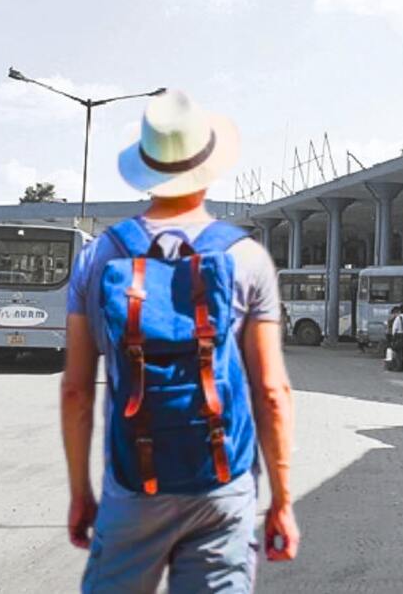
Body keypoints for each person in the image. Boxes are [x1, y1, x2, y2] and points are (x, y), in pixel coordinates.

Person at [60, 90, 300, 593]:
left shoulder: (98, 256)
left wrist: (81, 492)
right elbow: (272, 393)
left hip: (133, 485)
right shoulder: (249, 259)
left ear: (145, 168)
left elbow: (77, 392)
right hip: (222, 482)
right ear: (209, 169)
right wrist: (281, 500)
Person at [391, 305, 403, 373]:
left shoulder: (398, 318)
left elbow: (394, 328)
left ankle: (398, 367)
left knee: (398, 352)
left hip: (399, 336)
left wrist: (393, 337)